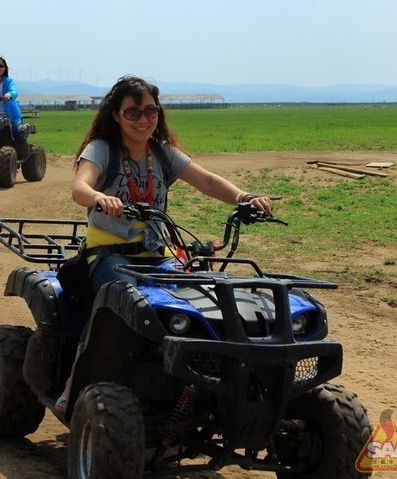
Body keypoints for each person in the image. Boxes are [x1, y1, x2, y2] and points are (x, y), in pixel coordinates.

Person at [53, 75, 272, 415]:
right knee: (122, 304)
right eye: (133, 113)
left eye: (150, 111)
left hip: (158, 256)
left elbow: (207, 180)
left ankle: (200, 382)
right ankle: (73, 383)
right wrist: (99, 197)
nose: (143, 120)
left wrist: (244, 197)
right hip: (109, 257)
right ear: (116, 115)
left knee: (199, 303)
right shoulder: (102, 150)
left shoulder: (162, 153)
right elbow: (80, 187)